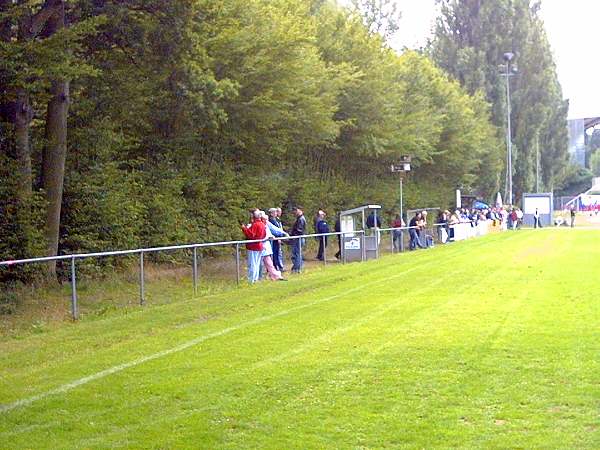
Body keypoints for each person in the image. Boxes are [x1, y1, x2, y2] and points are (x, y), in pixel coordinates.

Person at [240, 209, 266, 283]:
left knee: (252, 263)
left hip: (253, 246)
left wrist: (244, 228)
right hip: (259, 245)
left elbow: (251, 235)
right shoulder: (262, 224)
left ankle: (251, 280)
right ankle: (255, 278)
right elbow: (264, 235)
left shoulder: (256, 224)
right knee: (257, 263)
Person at [260, 212, 287, 281]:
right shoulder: (261, 225)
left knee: (269, 262)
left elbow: (274, 230)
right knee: (260, 263)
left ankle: (275, 275)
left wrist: (283, 233)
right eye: (265, 219)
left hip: (265, 247)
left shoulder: (266, 225)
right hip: (260, 247)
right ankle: (258, 277)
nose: (266, 221)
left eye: (267, 219)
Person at [290, 206, 307, 273]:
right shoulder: (300, 219)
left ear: (299, 210)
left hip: (299, 238)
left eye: (295, 210)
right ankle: (298, 267)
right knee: (297, 253)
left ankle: (296, 268)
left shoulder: (301, 219)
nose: (294, 212)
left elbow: (299, 230)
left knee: (296, 253)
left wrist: (292, 234)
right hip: (299, 238)